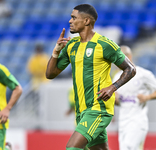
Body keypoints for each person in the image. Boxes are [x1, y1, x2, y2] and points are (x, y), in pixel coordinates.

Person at [46, 4, 136, 150]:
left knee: (72, 147)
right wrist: (56, 51)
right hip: (81, 110)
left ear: (87, 21)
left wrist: (113, 87)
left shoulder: (104, 44)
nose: (70, 21)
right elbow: (50, 74)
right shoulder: (71, 45)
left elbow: (131, 69)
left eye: (74, 17)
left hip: (98, 108)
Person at [113, 45, 156, 150]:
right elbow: (119, 101)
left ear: (129, 57)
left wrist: (147, 97)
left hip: (138, 121)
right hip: (123, 122)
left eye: (120, 58)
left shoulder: (143, 74)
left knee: (129, 147)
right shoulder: (116, 76)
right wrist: (114, 100)